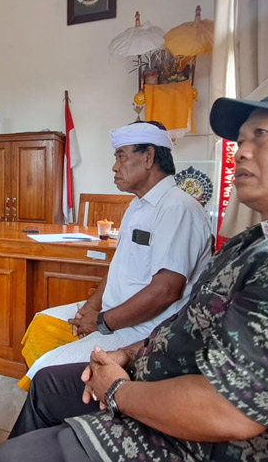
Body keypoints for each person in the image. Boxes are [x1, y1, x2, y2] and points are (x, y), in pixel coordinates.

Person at [0, 89, 268, 462]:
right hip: (155, 371)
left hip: (193, 443)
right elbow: (190, 319)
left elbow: (228, 411)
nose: (241, 152)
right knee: (48, 384)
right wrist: (129, 353)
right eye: (242, 140)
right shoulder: (261, 239)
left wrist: (116, 388)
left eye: (262, 135)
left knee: (7, 456)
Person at [18, 121, 212, 390]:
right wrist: (92, 306)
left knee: (48, 372)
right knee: (42, 323)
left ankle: (57, 402)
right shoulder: (138, 205)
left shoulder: (178, 209)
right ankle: (60, 402)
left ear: (148, 157)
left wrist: (101, 323)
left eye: (121, 156)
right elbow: (118, 266)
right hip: (113, 316)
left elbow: (166, 291)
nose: (114, 166)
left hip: (142, 330)